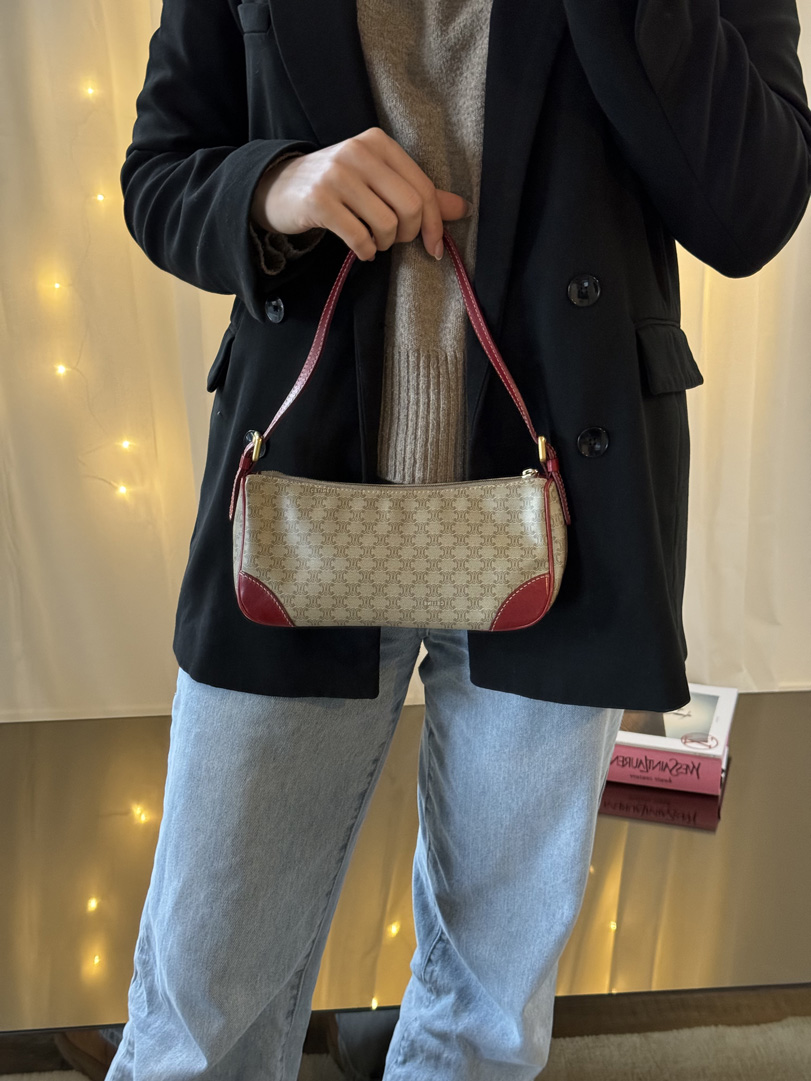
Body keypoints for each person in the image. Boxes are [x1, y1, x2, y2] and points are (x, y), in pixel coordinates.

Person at [106, 1, 811, 1079]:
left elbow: (750, 208)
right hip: (298, 505)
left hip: (566, 513)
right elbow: (159, 174)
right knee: (197, 1017)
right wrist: (273, 187)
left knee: (483, 1026)